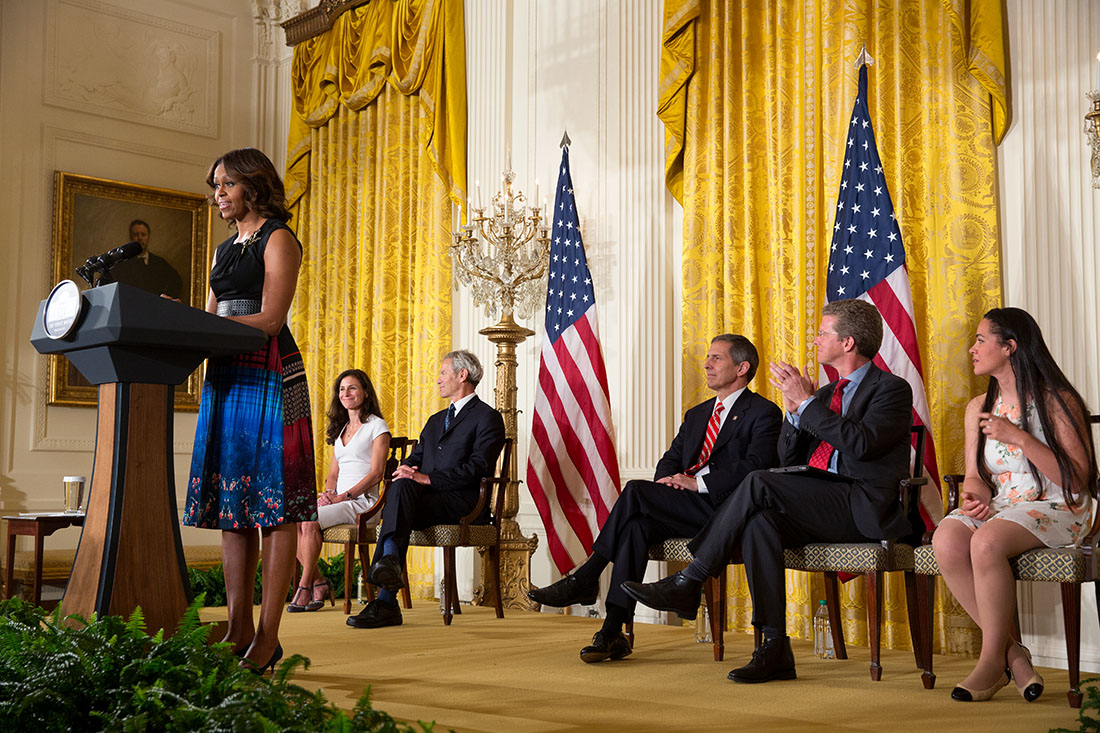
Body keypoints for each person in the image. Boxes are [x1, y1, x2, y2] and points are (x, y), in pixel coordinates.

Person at [623, 298, 913, 683]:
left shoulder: (891, 389)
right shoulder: (825, 397)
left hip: (861, 505)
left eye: (823, 333)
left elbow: (860, 444)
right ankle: (775, 648)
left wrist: (808, 404)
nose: (815, 340)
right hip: (819, 500)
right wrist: (794, 411)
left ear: (847, 342)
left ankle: (690, 579)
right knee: (761, 523)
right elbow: (787, 457)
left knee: (758, 482)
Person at [528, 334, 782, 663]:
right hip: (684, 505)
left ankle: (588, 575)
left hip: (727, 510)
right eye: (708, 357)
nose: (706, 364)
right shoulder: (697, 414)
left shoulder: (763, 412)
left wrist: (696, 483)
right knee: (635, 526)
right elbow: (670, 460)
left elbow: (757, 468)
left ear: (742, 367)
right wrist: (668, 481)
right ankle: (612, 631)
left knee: (634, 490)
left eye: (716, 358)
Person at [183, 148, 316, 673]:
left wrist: (206, 326)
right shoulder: (221, 251)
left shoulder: (278, 237)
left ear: (252, 187)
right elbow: (214, 315)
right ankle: (237, 626)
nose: (217, 193)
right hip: (226, 376)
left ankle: (267, 634)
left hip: (268, 370)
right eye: (214, 185)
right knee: (232, 506)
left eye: (226, 185)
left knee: (274, 505)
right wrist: (185, 322)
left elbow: (270, 317)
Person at [932, 308, 1097, 703]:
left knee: (986, 542)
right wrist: (974, 497)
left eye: (980, 340)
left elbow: (1076, 480)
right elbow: (975, 475)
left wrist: (1020, 438)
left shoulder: (1058, 401)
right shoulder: (978, 407)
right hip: (1006, 504)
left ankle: (990, 663)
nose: (972, 349)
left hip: (1060, 504)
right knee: (947, 537)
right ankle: (1014, 655)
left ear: (1010, 347)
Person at [347, 350, 506, 629]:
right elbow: (415, 459)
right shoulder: (435, 420)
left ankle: (386, 599)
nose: (438, 380)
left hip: (463, 502)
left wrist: (427, 479)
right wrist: (406, 470)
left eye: (443, 373)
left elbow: (478, 468)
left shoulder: (487, 417)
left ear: (462, 375)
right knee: (400, 485)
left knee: (401, 497)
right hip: (426, 501)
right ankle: (389, 574)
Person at [288, 369, 391, 613]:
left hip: (364, 503)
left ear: (365, 392)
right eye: (342, 389)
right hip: (340, 500)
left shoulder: (378, 426)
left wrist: (343, 496)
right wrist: (328, 495)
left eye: (352, 388)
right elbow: (333, 474)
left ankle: (305, 587)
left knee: (310, 521)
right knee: (292, 518)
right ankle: (318, 581)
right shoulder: (341, 429)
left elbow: (376, 473)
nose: (346, 393)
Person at [102, 219, 184, 299]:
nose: (140, 238)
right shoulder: (121, 264)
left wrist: (164, 299)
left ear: (148, 237)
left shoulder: (159, 263)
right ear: (131, 237)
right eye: (136, 234)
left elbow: (176, 281)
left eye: (143, 234)